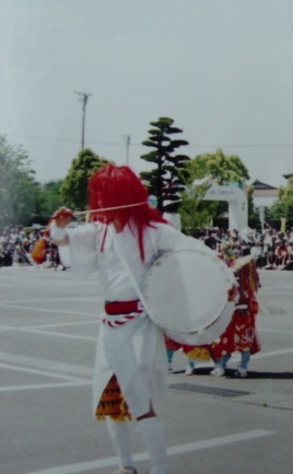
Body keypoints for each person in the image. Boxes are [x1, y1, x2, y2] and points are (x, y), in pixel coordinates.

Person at [50, 164, 215, 474]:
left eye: (104, 194)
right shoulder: (97, 232)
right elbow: (64, 241)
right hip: (109, 326)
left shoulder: (154, 232)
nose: (99, 203)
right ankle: (125, 466)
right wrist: (59, 227)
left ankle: (160, 467)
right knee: (108, 399)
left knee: (139, 400)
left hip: (139, 324)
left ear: (120, 195)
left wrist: (224, 283)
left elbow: (196, 252)